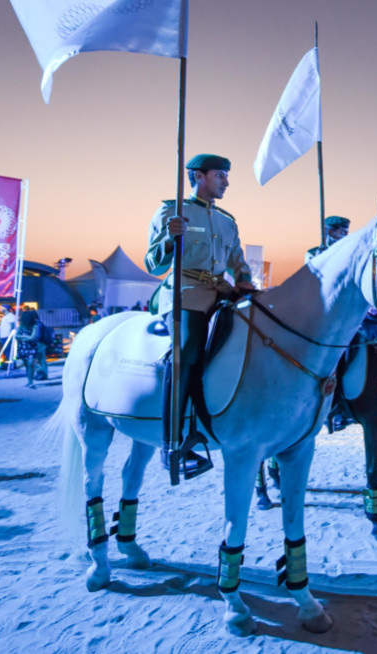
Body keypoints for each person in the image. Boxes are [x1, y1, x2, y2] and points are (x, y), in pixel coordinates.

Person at [146, 154, 254, 479]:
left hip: (221, 292)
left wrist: (244, 280)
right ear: (198, 176)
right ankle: (173, 443)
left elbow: (238, 261)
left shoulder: (227, 220)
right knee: (188, 350)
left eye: (226, 176)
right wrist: (170, 239)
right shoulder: (172, 211)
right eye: (220, 175)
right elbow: (153, 264)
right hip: (185, 291)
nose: (226, 182)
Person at [15, 309, 42, 389]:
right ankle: (29, 381)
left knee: (30, 364)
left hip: (31, 347)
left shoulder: (34, 326)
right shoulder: (21, 326)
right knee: (27, 365)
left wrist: (22, 338)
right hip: (23, 347)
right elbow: (16, 336)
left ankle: (31, 382)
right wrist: (27, 337)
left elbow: (32, 337)